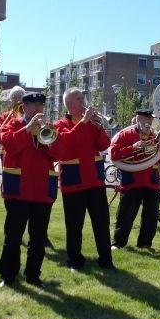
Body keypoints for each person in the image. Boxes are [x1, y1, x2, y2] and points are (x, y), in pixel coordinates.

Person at [0, 92, 66, 288]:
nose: (37, 109)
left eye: (40, 105)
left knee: (37, 238)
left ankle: (33, 276)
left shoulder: (49, 127)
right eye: (33, 105)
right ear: (24, 107)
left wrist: (50, 138)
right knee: (13, 236)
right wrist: (28, 130)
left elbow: (60, 153)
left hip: (42, 190)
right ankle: (8, 276)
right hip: (17, 189)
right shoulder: (13, 124)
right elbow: (9, 145)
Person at [53, 88, 114, 271]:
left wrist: (98, 126)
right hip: (73, 181)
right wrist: (85, 122)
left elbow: (104, 145)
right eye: (79, 99)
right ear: (69, 104)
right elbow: (66, 143)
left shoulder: (92, 123)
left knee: (102, 223)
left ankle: (106, 260)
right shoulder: (60, 124)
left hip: (95, 180)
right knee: (74, 225)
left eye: (83, 98)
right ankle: (74, 260)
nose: (83, 101)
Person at [109, 109, 160, 250]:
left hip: (151, 180)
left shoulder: (155, 136)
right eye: (146, 120)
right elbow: (114, 154)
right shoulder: (125, 134)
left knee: (151, 216)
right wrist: (134, 147)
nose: (149, 123)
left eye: (150, 120)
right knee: (126, 214)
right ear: (138, 119)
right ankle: (118, 243)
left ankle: (145, 244)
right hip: (132, 180)